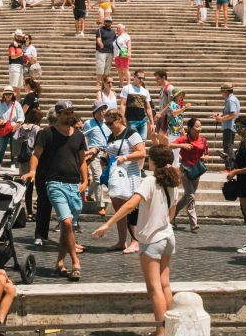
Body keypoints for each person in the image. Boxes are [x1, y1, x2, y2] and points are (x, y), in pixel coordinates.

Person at [93, 144, 180, 336]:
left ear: (154, 161)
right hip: (168, 236)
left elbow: (131, 204)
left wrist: (108, 224)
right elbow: (172, 215)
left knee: (154, 287)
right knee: (165, 284)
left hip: (152, 239)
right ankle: (171, 328)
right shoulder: (173, 183)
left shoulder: (150, 181)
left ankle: (161, 332)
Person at [22, 101, 88, 281]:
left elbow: (82, 161)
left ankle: (59, 264)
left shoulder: (79, 136)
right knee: (66, 223)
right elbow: (36, 154)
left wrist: (86, 180)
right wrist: (33, 171)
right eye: (66, 113)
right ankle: (76, 263)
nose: (69, 115)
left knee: (69, 229)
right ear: (58, 114)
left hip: (74, 185)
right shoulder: (46, 134)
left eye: (71, 112)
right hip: (54, 183)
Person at [102, 108, 147, 253]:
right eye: (106, 123)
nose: (108, 126)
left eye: (110, 123)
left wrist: (126, 157)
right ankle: (122, 241)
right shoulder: (111, 135)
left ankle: (135, 242)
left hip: (130, 175)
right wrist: (105, 160)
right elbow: (110, 154)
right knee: (118, 208)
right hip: (115, 176)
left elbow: (142, 152)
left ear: (118, 120)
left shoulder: (131, 133)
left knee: (131, 208)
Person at [223, 116, 246, 253]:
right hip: (244, 180)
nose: (237, 130)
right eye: (236, 127)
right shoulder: (244, 141)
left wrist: (236, 171)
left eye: (239, 127)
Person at [169, 118, 208, 232]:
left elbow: (206, 153)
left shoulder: (203, 140)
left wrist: (205, 157)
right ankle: (193, 223)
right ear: (190, 128)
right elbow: (169, 145)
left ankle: (171, 216)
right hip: (185, 169)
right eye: (196, 126)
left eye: (200, 126)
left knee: (187, 196)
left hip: (197, 170)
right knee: (190, 195)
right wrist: (183, 146)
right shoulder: (184, 138)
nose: (199, 129)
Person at [83, 101, 111, 217]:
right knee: (98, 177)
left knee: (99, 178)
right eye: (101, 109)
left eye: (104, 109)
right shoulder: (89, 123)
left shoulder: (107, 123)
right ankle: (101, 205)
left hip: (106, 153)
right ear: (95, 112)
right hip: (94, 153)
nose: (103, 112)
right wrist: (86, 152)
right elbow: (83, 137)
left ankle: (90, 194)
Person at [0, 86, 25, 172]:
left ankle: (13, 164)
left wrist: (16, 126)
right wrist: (0, 120)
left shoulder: (17, 104)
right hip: (4, 127)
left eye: (10, 94)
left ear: (12, 95)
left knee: (13, 147)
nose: (8, 95)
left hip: (14, 127)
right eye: (6, 94)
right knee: (1, 147)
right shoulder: (0, 104)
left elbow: (21, 116)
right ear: (3, 95)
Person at [120, 70, 155, 140]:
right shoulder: (127, 88)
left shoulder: (145, 91)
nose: (141, 80)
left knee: (143, 141)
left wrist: (152, 123)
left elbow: (148, 108)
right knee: (133, 142)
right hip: (131, 121)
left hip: (143, 121)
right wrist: (122, 118)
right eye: (139, 78)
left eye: (143, 78)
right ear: (134, 77)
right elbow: (123, 104)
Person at [213, 83, 240, 172]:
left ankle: (230, 168)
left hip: (229, 127)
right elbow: (230, 112)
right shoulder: (232, 98)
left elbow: (233, 113)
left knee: (228, 147)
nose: (221, 93)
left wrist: (221, 119)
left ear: (225, 91)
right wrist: (220, 115)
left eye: (222, 91)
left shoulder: (230, 100)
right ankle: (230, 167)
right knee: (229, 146)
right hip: (230, 126)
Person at [95, 17, 116, 84]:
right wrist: (100, 43)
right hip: (101, 51)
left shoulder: (113, 32)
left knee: (107, 68)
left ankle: (104, 82)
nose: (108, 23)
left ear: (111, 23)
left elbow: (115, 41)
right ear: (104, 22)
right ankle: (98, 82)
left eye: (109, 21)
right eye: (107, 21)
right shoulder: (100, 30)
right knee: (100, 67)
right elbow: (98, 39)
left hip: (110, 52)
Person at [8, 30, 25, 99]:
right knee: (14, 86)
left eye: (20, 36)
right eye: (18, 36)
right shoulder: (12, 45)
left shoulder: (20, 44)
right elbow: (12, 56)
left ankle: (17, 102)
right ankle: (13, 102)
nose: (20, 37)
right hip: (14, 66)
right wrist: (20, 54)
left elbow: (26, 37)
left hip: (20, 66)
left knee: (19, 86)